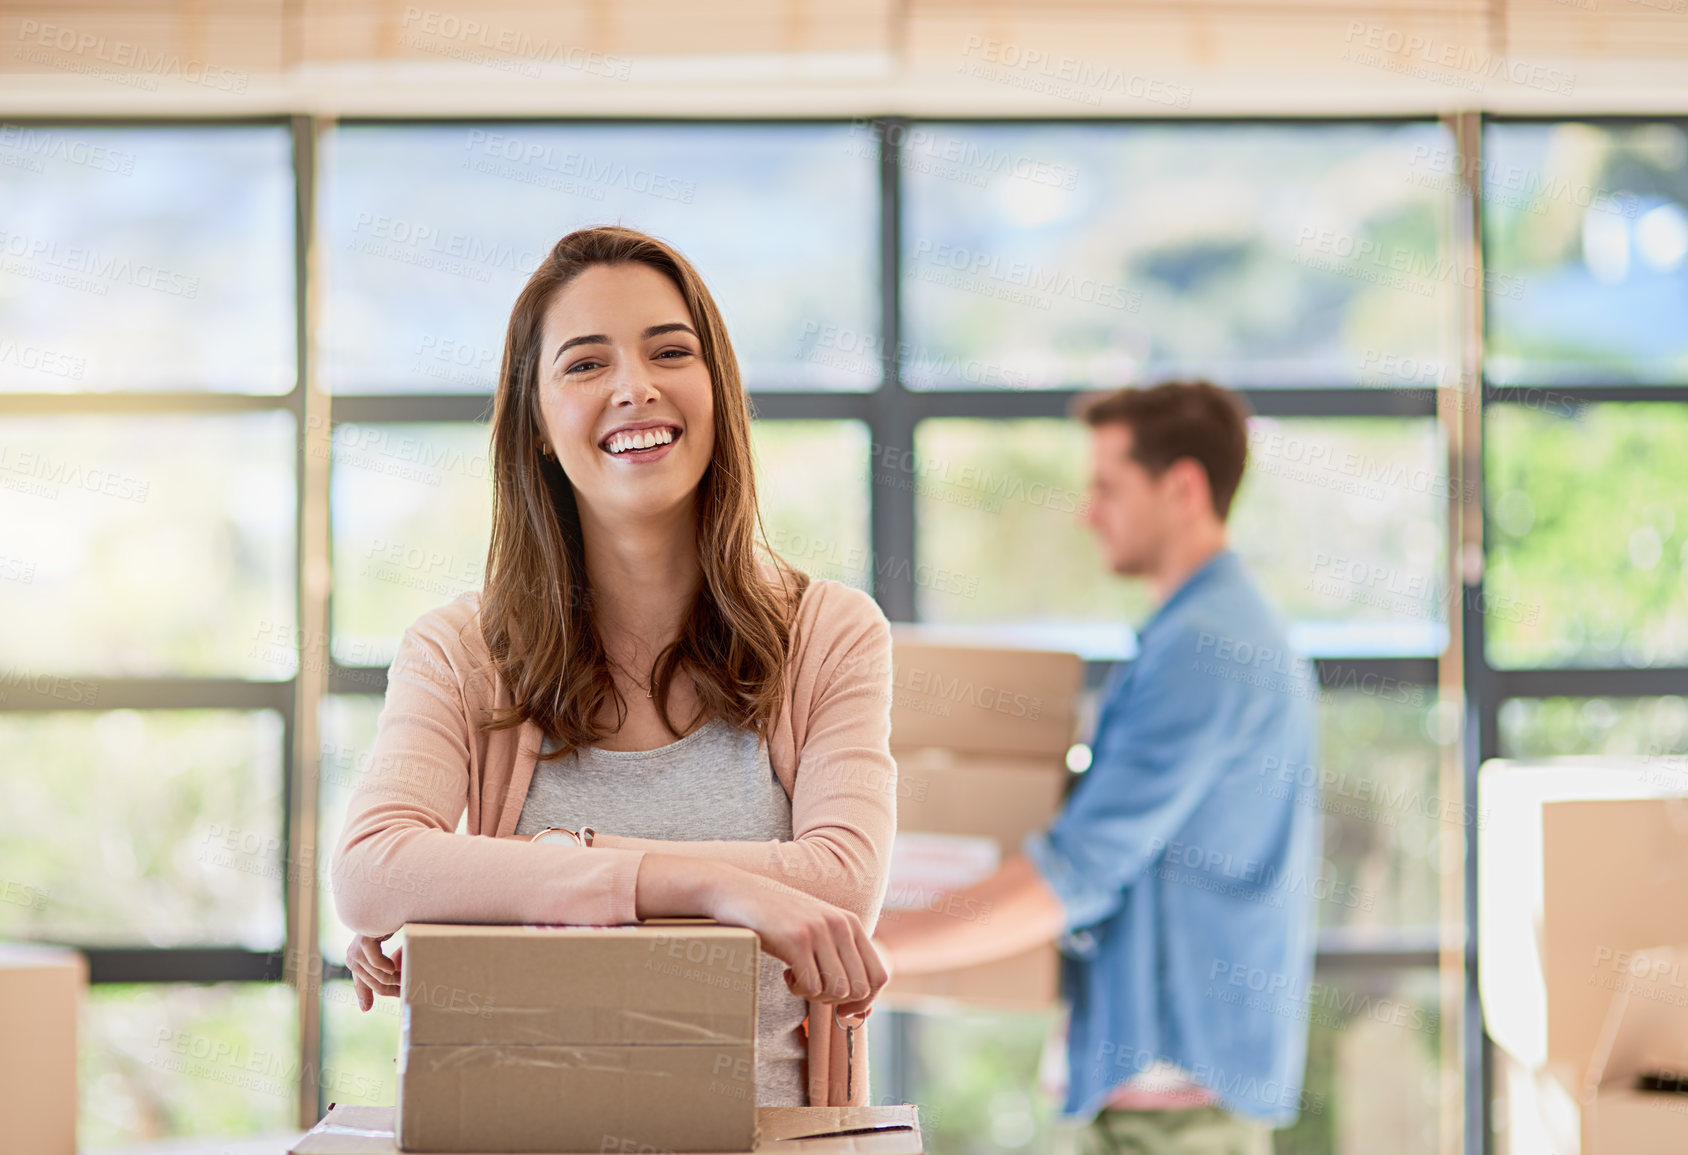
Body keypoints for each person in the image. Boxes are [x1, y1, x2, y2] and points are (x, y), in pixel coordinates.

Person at [333, 225, 894, 1108]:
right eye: (585, 365)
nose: (636, 388)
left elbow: (840, 881)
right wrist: (717, 883)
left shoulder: (828, 633)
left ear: (717, 392)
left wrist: (505, 875)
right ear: (540, 427)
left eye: (671, 351)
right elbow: (370, 872)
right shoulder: (459, 649)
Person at [874, 380, 1321, 1154]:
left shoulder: (1205, 648)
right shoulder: (1197, 630)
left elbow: (1076, 871)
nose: (1087, 511)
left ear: (1181, 487)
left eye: (1107, 487)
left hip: (1175, 1094)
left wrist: (877, 947)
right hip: (1168, 1087)